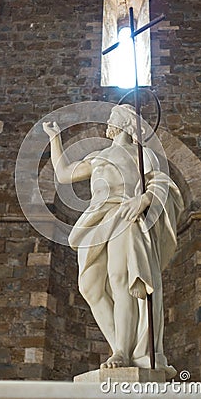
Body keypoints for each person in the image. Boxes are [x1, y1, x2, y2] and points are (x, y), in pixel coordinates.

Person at [43, 104, 183, 378]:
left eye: (112, 119)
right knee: (90, 286)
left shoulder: (144, 156)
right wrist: (54, 138)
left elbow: (162, 183)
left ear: (123, 124)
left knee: (121, 280)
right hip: (96, 220)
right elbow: (63, 174)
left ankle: (121, 352)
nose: (108, 123)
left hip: (125, 216)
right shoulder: (98, 156)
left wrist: (144, 199)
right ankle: (120, 346)